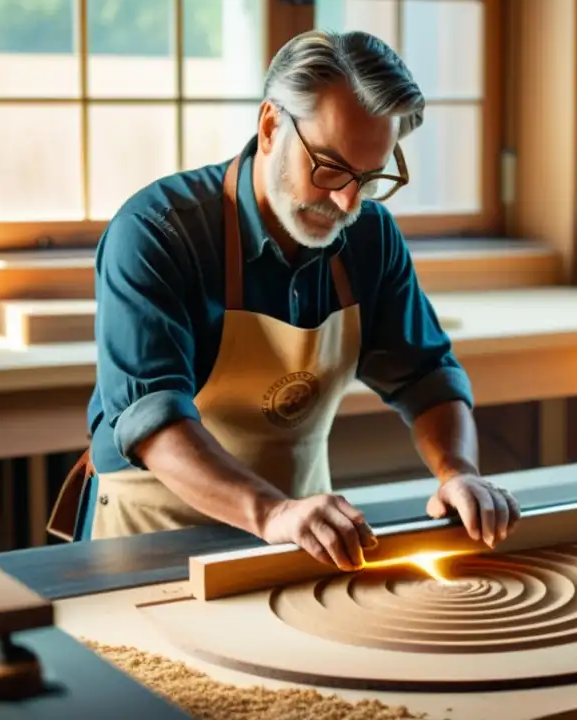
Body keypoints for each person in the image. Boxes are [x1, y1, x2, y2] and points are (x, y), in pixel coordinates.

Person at [47, 29, 521, 571]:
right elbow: (154, 423)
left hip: (299, 531)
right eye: (330, 168)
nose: (346, 200)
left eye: (369, 179)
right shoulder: (157, 233)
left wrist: (458, 471)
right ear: (271, 126)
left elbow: (426, 374)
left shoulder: (370, 236)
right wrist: (271, 513)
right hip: (152, 534)